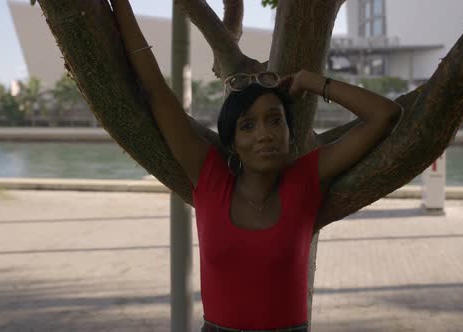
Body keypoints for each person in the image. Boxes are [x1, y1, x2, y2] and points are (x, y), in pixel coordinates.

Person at [113, 1, 402, 331]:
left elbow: (385, 115)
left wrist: (311, 81)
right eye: (247, 125)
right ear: (232, 142)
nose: (264, 134)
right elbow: (155, 91)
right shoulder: (210, 179)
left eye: (275, 120)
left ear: (291, 134)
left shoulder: (306, 178)